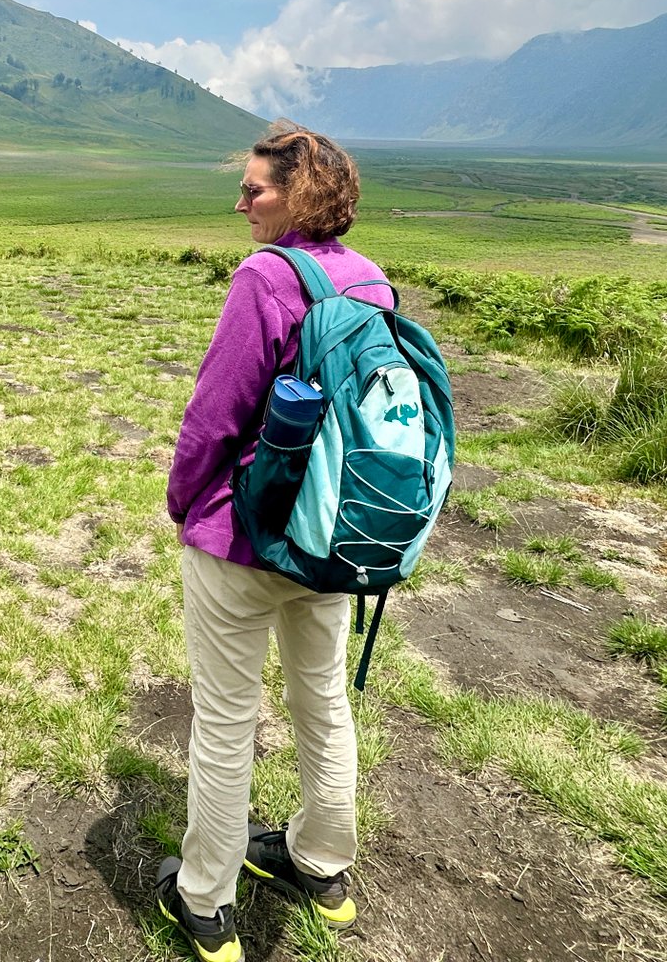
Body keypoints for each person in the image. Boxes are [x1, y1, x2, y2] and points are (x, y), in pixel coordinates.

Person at [156, 125, 384, 962]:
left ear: (300, 194)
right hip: (333, 535)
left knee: (225, 720)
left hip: (243, 540)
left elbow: (215, 414)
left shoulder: (265, 277)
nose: (240, 203)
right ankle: (321, 868)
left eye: (254, 189)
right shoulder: (371, 280)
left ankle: (205, 902)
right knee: (322, 701)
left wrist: (184, 503)